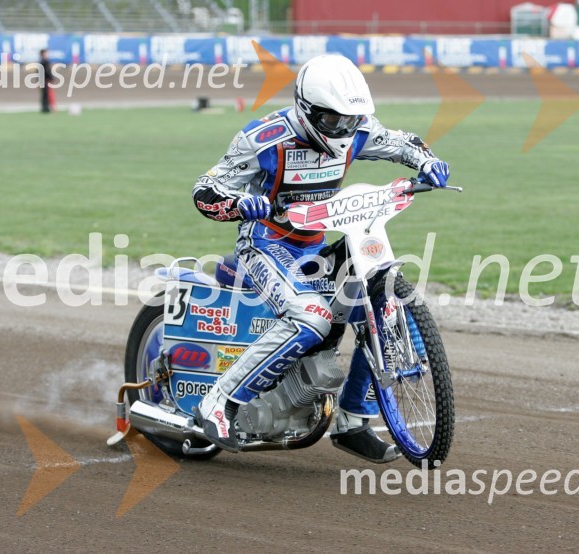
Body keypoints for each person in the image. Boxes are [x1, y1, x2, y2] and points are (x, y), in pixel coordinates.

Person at [192, 54, 450, 463]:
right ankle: (220, 401)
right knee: (313, 316)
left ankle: (353, 421)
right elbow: (206, 191)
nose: (345, 129)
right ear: (307, 109)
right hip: (265, 243)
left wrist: (427, 160)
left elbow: (403, 143)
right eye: (333, 120)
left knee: (383, 301)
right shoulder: (264, 138)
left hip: (316, 243)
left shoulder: (359, 127)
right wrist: (241, 204)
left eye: (352, 119)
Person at [39, 49, 56, 113]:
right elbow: (46, 72)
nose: (47, 55)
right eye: (46, 53)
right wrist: (51, 78)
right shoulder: (44, 62)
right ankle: (46, 108)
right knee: (46, 95)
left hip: (44, 81)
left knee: (45, 95)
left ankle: (45, 108)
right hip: (45, 81)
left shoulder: (43, 62)